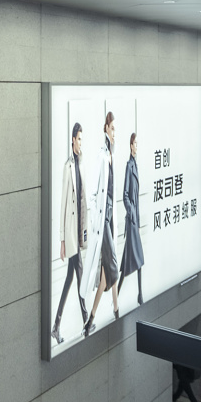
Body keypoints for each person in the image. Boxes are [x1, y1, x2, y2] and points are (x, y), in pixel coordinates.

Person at [81, 111, 120, 337]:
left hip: (110, 219)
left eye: (116, 129)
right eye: (112, 128)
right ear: (105, 129)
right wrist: (97, 220)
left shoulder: (112, 155)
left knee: (108, 268)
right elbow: (94, 193)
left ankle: (92, 319)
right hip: (102, 222)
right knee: (112, 263)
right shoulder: (101, 156)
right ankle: (114, 309)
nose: (115, 133)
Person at [52, 122, 88, 344]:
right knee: (80, 272)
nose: (81, 142)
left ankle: (56, 325)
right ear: (72, 140)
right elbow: (64, 204)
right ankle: (87, 318)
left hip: (78, 230)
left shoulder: (81, 163)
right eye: (79, 139)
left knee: (69, 279)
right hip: (70, 233)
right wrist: (63, 240)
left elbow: (83, 200)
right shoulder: (68, 167)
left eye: (83, 139)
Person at [119, 132, 146, 305]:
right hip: (131, 221)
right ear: (130, 146)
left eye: (137, 143)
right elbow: (125, 195)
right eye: (135, 143)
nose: (137, 146)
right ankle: (136, 295)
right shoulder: (129, 166)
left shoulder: (134, 165)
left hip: (134, 221)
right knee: (137, 259)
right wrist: (132, 213)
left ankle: (138, 294)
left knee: (134, 259)